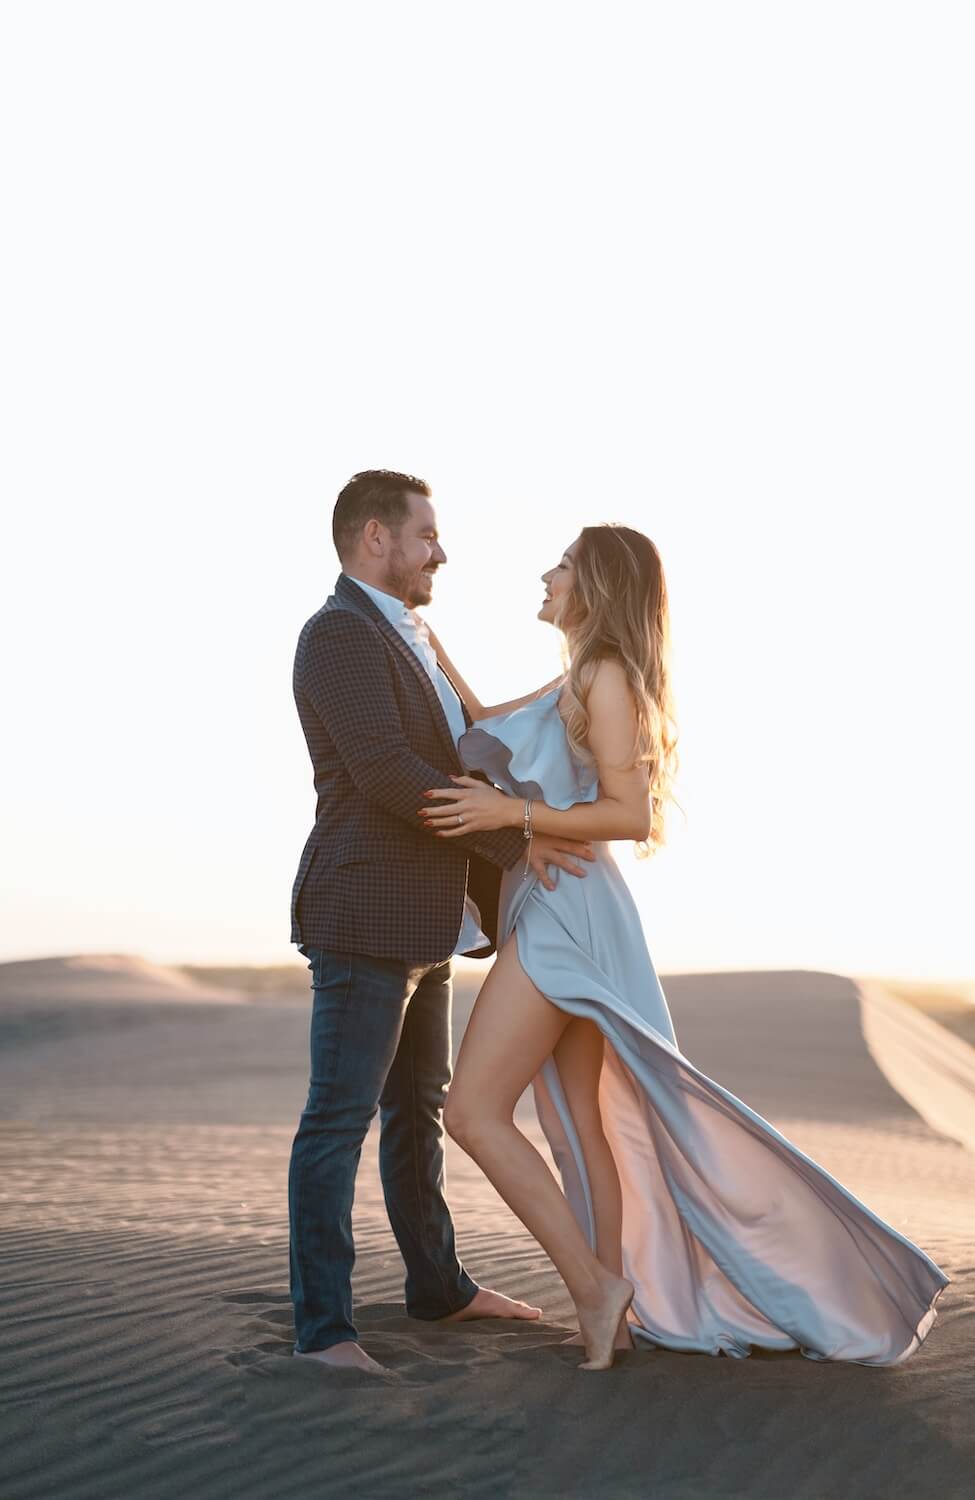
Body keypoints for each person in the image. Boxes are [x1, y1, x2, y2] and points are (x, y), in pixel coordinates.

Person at [420, 523, 949, 1371]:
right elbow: (485, 719)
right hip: (555, 904)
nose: (547, 574)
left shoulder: (607, 677)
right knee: (581, 1122)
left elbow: (633, 816)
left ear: (596, 585)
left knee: (475, 1112)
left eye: (562, 564)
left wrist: (511, 818)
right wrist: (423, 640)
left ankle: (598, 1291)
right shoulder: (580, 673)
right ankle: (614, 1312)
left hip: (570, 913)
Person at [287, 470, 599, 1376]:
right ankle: (324, 1332)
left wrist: (593, 675)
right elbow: (387, 771)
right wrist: (517, 845)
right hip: (362, 908)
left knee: (416, 1110)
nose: (442, 552)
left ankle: (440, 1287)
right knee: (337, 1119)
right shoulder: (340, 634)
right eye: (428, 535)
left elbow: (479, 733)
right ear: (375, 538)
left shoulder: (415, 632)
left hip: (427, 920)